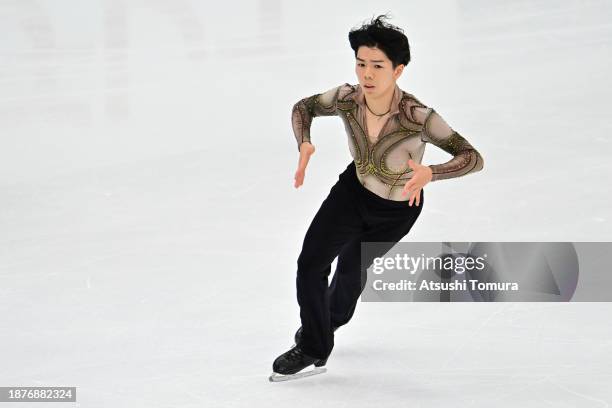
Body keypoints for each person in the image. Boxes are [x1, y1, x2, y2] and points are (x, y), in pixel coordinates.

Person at [269, 14, 484, 381]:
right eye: (361, 64)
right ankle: (314, 348)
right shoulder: (347, 99)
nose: (367, 74)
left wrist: (432, 172)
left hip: (397, 210)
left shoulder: (418, 117)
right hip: (351, 193)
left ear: (398, 70)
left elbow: (471, 157)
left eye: (377, 66)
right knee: (311, 264)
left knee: (352, 268)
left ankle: (329, 322)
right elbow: (303, 107)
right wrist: (304, 142)